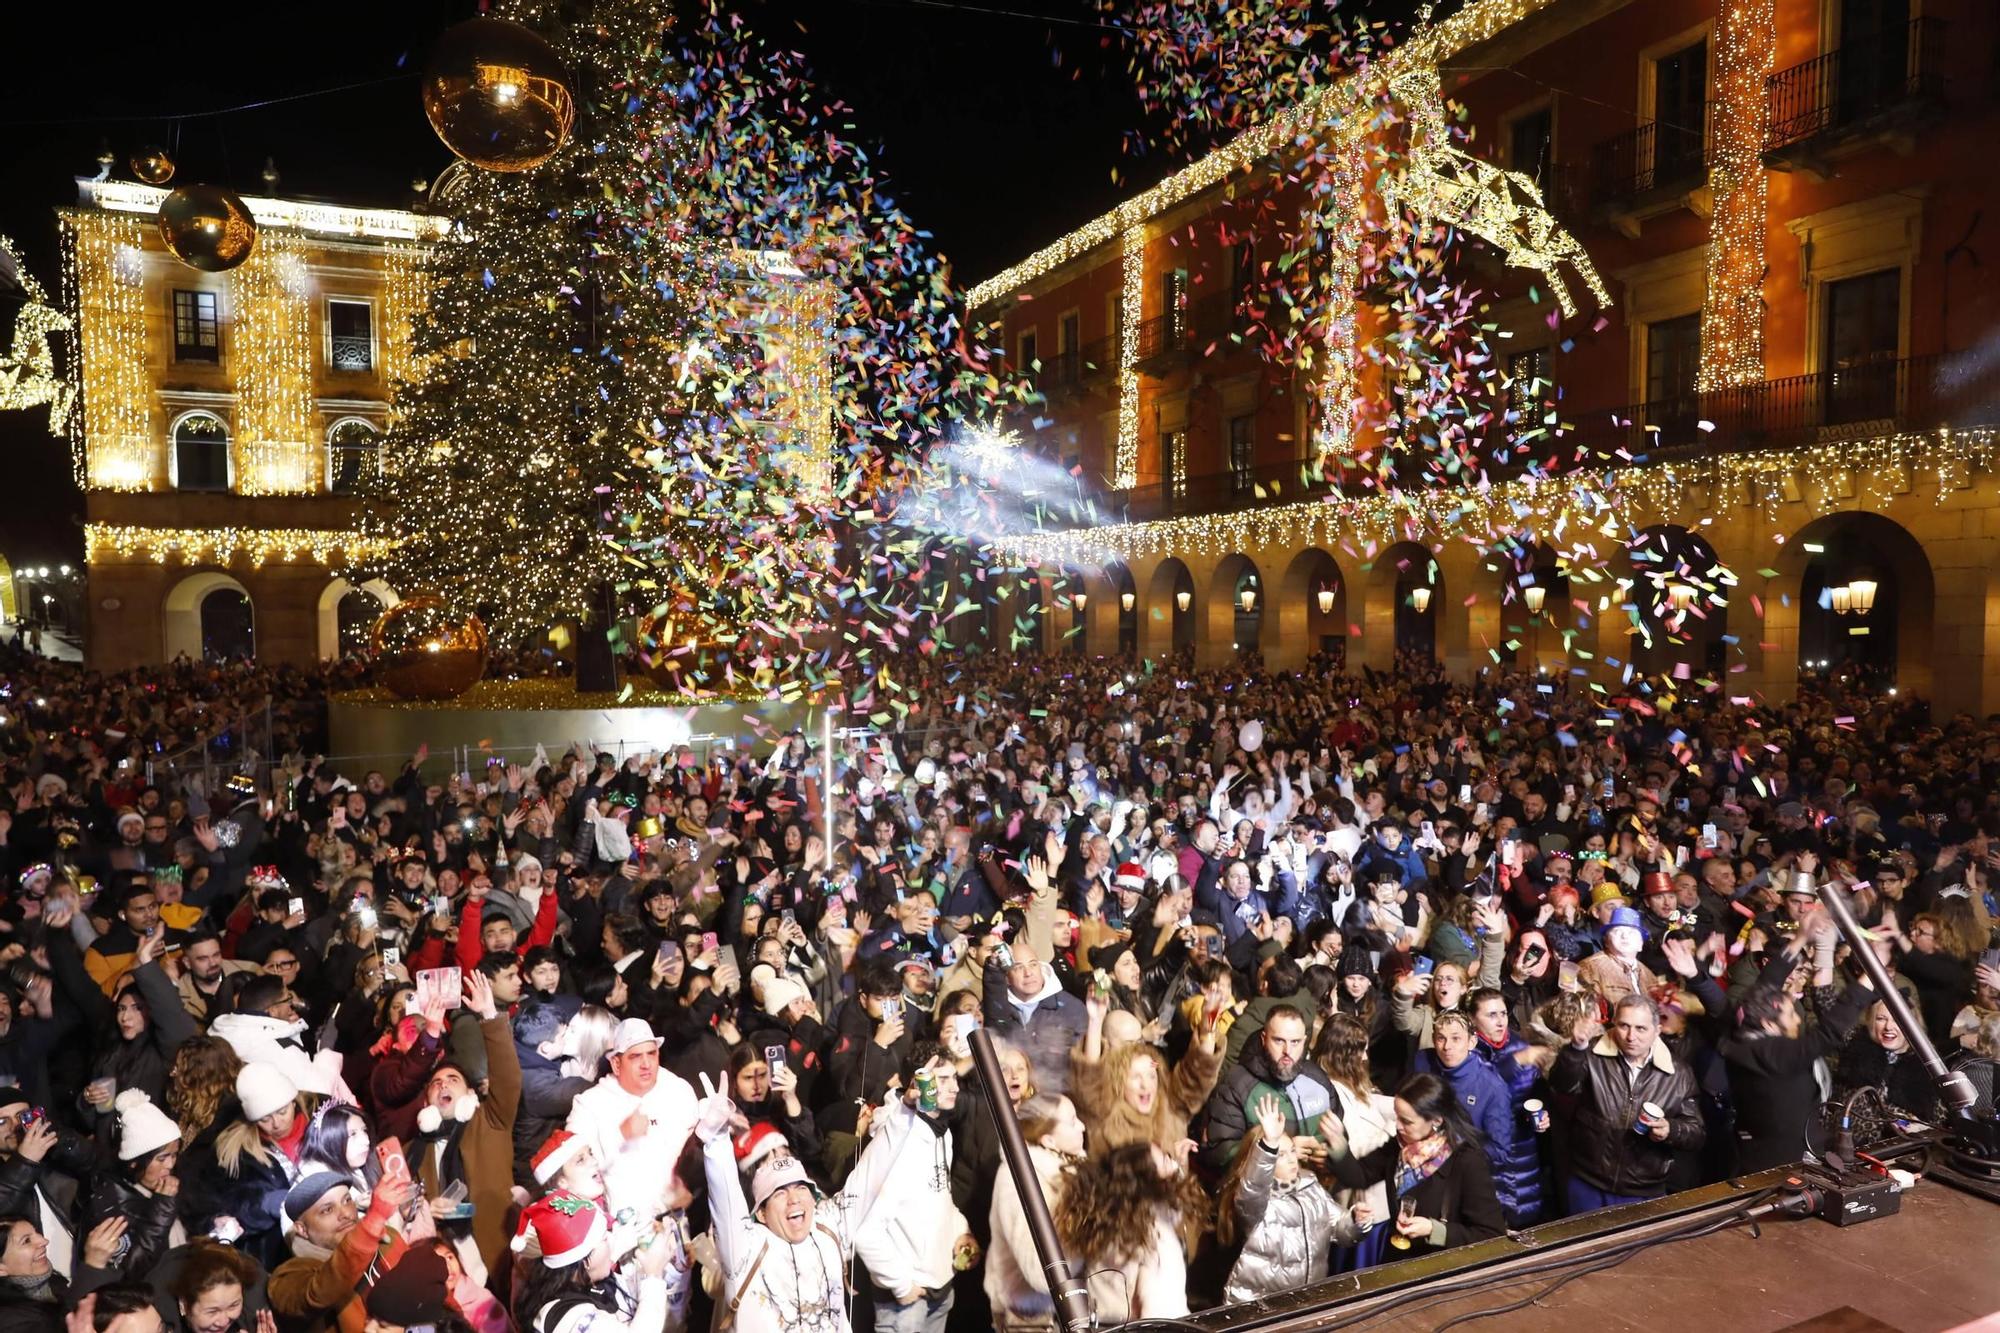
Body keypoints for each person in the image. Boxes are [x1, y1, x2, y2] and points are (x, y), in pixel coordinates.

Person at [695, 1073, 860, 1333]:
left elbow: (868, 1181)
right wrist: (716, 1140)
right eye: (768, 1159)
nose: (778, 1164)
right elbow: (725, 1201)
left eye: (784, 1155)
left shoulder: (823, 1225)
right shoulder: (744, 1240)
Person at [843, 1048, 974, 1333]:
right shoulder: (902, 1145)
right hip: (906, 1303)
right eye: (941, 1079)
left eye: (954, 1077)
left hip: (939, 1289)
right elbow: (866, 1232)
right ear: (918, 1085)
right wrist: (902, 1285)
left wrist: (960, 1230)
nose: (954, 1086)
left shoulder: (943, 1133)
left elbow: (938, 1195)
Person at [1550, 994, 1705, 1212]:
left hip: (1643, 1189)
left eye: (1641, 1028)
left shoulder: (1678, 1073)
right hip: (1588, 1181)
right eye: (1624, 1026)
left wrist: (1671, 1129)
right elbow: (1562, 1085)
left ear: (1657, 1030)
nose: (1631, 1036)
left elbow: (1696, 1132)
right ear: (1614, 1024)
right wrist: (1575, 1049)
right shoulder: (1592, 1054)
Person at [1318, 1073, 1507, 1251]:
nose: (1398, 1126)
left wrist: (1434, 1230)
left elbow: (1491, 1234)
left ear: (1436, 1120)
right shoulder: (1401, 1145)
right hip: (1399, 1257)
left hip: (1440, 1270)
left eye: (1406, 1121)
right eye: (1397, 1116)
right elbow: (1360, 1176)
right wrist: (1338, 1145)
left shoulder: (1467, 1161)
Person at [1217, 1094, 1364, 1305]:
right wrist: (1269, 1144)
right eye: (1281, 1155)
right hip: (1259, 1306)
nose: (1292, 1159)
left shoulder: (1310, 1185)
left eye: (1292, 1151)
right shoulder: (1257, 1202)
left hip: (1305, 1300)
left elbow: (1339, 1229)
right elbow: (1253, 1187)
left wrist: (1356, 1221)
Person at [562, 1019, 698, 1226]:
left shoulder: (679, 1091)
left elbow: (694, 1156)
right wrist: (619, 1137)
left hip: (678, 1221)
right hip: (624, 1229)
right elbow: (571, 1170)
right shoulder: (589, 1105)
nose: (646, 1064)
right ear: (616, 1064)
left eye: (651, 1054)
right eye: (635, 1057)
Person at [507, 1192, 682, 1333]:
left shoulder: (589, 1281)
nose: (612, 1239)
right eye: (604, 1238)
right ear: (584, 1261)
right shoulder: (568, 1318)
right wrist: (653, 1275)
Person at [983, 1095, 1085, 1333]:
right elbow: (1041, 1274)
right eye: (1072, 1121)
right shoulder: (1019, 1182)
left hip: (1063, 1311)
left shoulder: (1071, 1169)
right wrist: (1088, 1237)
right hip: (1032, 1319)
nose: (1082, 1126)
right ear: (1048, 1140)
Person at [265, 1170, 411, 1333]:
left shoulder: (387, 1237)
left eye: (347, 1201)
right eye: (327, 1210)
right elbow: (317, 1293)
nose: (346, 1214)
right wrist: (373, 1222)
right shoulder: (288, 1277)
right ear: (302, 1229)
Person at [1199, 1005, 1333, 1172]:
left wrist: (1329, 1153)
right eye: (1279, 1041)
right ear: (1264, 1039)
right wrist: (1280, 1152)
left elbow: (1340, 1134)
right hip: (1260, 1193)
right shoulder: (1236, 1085)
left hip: (1312, 1189)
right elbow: (1218, 1155)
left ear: (1304, 1041)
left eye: (1295, 1042)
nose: (1287, 1051)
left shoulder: (1318, 1079)